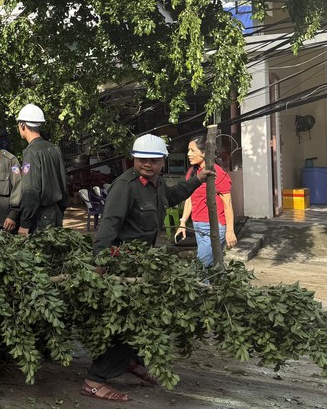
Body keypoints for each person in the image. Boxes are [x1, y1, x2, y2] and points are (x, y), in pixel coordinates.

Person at [82, 134, 210, 402]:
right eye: (142, 160)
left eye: (153, 160)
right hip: (122, 266)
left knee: (144, 317)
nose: (147, 165)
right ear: (134, 159)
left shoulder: (157, 183)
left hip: (143, 264)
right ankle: (95, 379)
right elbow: (108, 226)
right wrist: (100, 263)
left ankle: (132, 363)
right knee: (134, 323)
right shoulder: (124, 186)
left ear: (162, 161)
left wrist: (197, 180)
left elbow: (172, 196)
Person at [174, 136, 237, 266]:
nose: (188, 154)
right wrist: (183, 222)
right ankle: (220, 286)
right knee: (213, 265)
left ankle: (201, 286)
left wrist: (230, 231)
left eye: (192, 150)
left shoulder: (218, 174)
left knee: (200, 265)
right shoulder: (193, 172)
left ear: (204, 153)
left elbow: (228, 204)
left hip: (214, 227)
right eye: (188, 150)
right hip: (197, 226)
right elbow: (190, 198)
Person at [14, 104, 68, 234]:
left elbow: (31, 190)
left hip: (40, 218)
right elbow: (63, 183)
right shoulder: (55, 148)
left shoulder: (31, 152)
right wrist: (60, 210)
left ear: (22, 125)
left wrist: (25, 222)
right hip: (55, 214)